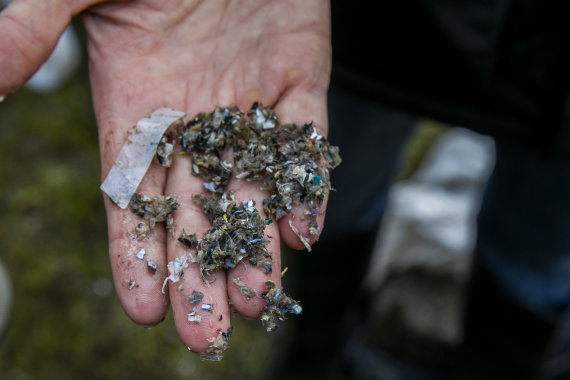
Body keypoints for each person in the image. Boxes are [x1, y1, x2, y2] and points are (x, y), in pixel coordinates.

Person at [1, 1, 569, 378]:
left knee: (538, 250)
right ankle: (318, 351)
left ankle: (499, 362)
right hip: (372, 27)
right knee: (323, 201)